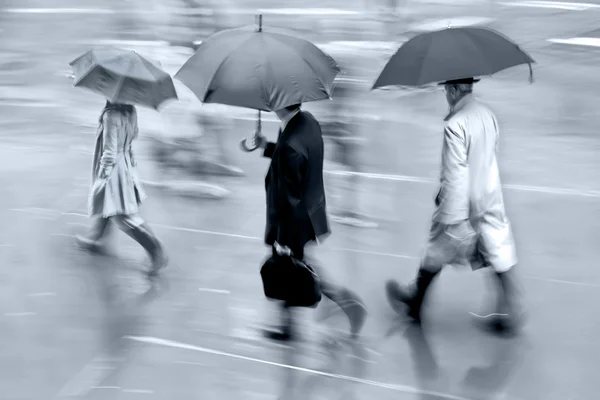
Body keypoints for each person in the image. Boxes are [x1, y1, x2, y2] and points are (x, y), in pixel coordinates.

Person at [385, 78, 524, 335]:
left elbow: (456, 173)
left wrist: (449, 210)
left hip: (463, 202)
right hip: (490, 194)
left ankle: (414, 304)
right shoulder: (487, 114)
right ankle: (511, 310)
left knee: (435, 250)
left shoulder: (455, 123)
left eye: (445, 91)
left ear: (452, 90)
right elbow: (485, 156)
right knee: (496, 249)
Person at [252, 104, 368, 341]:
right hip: (309, 211)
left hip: (292, 219)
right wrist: (267, 146)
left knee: (291, 266)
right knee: (295, 266)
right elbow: (296, 159)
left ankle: (348, 305)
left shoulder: (290, 144)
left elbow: (287, 194)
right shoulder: (306, 122)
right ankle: (290, 324)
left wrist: (282, 238)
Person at [77, 101, 168, 277]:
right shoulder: (130, 110)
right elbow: (134, 135)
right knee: (108, 206)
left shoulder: (111, 115)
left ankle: (155, 249)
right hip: (126, 164)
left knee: (122, 217)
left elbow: (109, 151)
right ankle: (95, 238)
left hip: (113, 170)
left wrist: (103, 176)